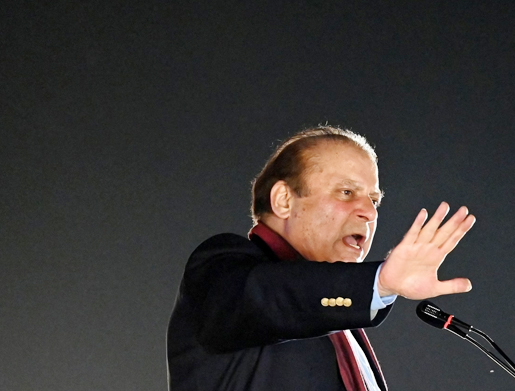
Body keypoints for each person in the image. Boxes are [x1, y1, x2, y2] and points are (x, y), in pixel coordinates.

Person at [167, 126, 476, 391]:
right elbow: (272, 297)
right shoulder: (221, 271)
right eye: (346, 192)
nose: (369, 213)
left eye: (374, 200)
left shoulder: (340, 322)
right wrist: (377, 283)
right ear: (284, 200)